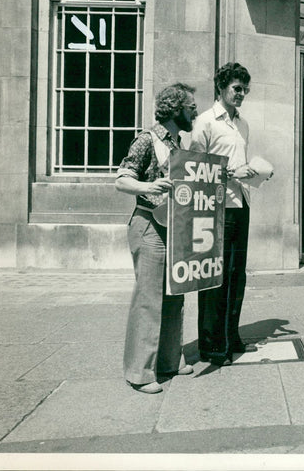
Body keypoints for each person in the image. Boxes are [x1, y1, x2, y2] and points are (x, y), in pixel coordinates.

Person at [116, 83, 198, 393]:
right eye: (191, 107)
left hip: (173, 226)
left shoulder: (179, 142)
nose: (195, 112)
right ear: (176, 110)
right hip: (148, 224)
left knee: (175, 295)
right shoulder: (147, 140)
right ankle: (139, 373)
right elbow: (122, 179)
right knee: (149, 299)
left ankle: (169, 360)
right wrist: (147, 188)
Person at [188, 62, 259, 366]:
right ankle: (212, 344)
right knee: (213, 276)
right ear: (221, 87)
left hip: (240, 203)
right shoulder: (205, 122)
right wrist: (229, 172)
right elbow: (192, 168)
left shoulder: (243, 124)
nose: (242, 94)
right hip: (213, 207)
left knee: (236, 274)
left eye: (245, 89)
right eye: (237, 88)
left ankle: (231, 333)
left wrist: (253, 173)